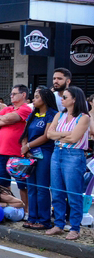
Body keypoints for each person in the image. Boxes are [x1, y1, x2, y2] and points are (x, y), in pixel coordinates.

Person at [46, 86, 90, 241]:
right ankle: (58, 224)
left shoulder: (84, 117)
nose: (62, 100)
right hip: (57, 153)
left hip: (74, 155)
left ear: (75, 99)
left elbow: (74, 139)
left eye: (65, 97)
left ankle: (75, 228)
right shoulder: (60, 114)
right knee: (57, 191)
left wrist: (59, 136)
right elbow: (49, 134)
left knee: (73, 193)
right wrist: (65, 134)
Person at [20, 86, 57, 230]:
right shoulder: (32, 115)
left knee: (42, 187)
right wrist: (25, 147)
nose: (33, 99)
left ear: (45, 98)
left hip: (44, 153)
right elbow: (25, 133)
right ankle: (32, 217)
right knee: (31, 187)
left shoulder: (52, 114)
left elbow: (46, 136)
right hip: (30, 154)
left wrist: (28, 145)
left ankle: (44, 219)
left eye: (37, 96)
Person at [0, 85, 31, 208]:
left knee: (22, 184)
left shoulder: (25, 108)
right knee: (2, 183)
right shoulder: (8, 108)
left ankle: (26, 209)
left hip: (18, 153)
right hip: (2, 152)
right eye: (11, 94)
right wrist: (6, 120)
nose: (11, 96)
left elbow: (11, 117)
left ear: (23, 95)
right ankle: (10, 206)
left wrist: (5, 119)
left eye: (14, 94)